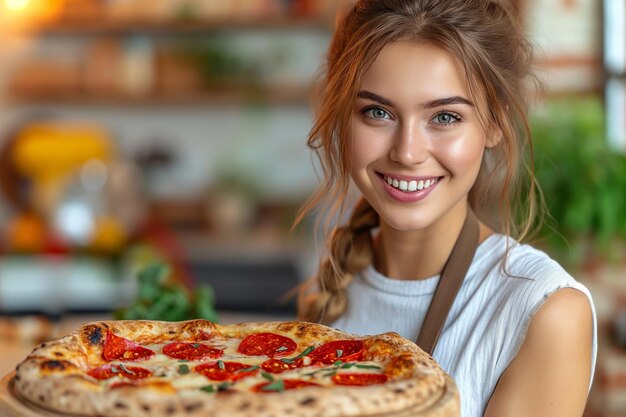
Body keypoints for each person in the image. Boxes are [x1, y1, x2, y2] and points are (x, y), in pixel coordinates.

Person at [294, 1, 598, 416]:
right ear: (342, 118)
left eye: (444, 117)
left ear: (495, 124)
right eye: (377, 112)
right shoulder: (333, 285)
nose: (407, 152)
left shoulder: (541, 312)